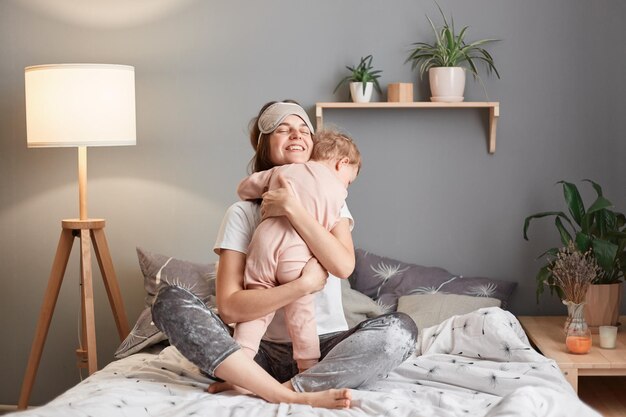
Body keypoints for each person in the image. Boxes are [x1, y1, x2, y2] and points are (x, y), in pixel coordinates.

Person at [151, 100, 418, 410]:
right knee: (168, 301)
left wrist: (292, 209)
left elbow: (343, 266)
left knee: (401, 331)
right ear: (265, 145)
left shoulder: (333, 204)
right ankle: (286, 395)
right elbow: (231, 309)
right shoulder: (241, 213)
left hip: (324, 351)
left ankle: (281, 386)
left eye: (305, 130)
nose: (297, 135)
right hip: (251, 353)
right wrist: (300, 287)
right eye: (283, 129)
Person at [234, 129, 361, 373]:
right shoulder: (338, 195)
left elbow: (244, 189)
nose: (347, 185)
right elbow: (342, 265)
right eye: (350, 179)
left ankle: (239, 366)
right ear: (342, 163)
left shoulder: (282, 172)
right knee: (302, 314)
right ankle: (307, 369)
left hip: (263, 246)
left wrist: (275, 196)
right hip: (297, 257)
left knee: (256, 311)